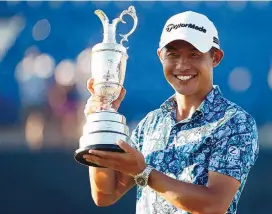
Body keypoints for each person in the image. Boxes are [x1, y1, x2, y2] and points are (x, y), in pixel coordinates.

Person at [83, 11, 259, 214]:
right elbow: (105, 194)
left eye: (194, 54)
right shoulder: (151, 123)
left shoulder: (234, 122)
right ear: (161, 57)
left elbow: (214, 205)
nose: (182, 65)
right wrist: (101, 124)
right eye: (173, 54)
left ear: (215, 57)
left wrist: (144, 172)